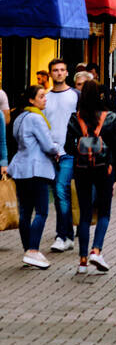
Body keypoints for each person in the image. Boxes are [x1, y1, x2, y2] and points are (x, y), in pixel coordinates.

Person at [65, 79, 116, 275]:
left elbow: (68, 147)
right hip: (103, 169)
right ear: (99, 95)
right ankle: (96, 250)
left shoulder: (75, 118)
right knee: (104, 212)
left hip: (81, 170)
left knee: (84, 214)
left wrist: (83, 144)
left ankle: (82, 261)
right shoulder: (110, 118)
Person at [7, 85, 58, 268]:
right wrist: (58, 148)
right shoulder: (37, 118)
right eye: (41, 96)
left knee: (25, 212)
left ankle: (27, 250)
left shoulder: (19, 117)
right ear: (32, 100)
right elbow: (47, 145)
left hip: (20, 169)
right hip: (37, 169)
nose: (45, 99)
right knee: (42, 211)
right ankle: (33, 250)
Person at [43, 58, 78, 253]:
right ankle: (68, 235)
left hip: (68, 153)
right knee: (59, 196)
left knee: (60, 191)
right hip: (50, 152)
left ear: (66, 73)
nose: (58, 73)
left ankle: (62, 236)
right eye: (55, 70)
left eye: (62, 70)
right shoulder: (45, 97)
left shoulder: (75, 95)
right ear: (50, 73)